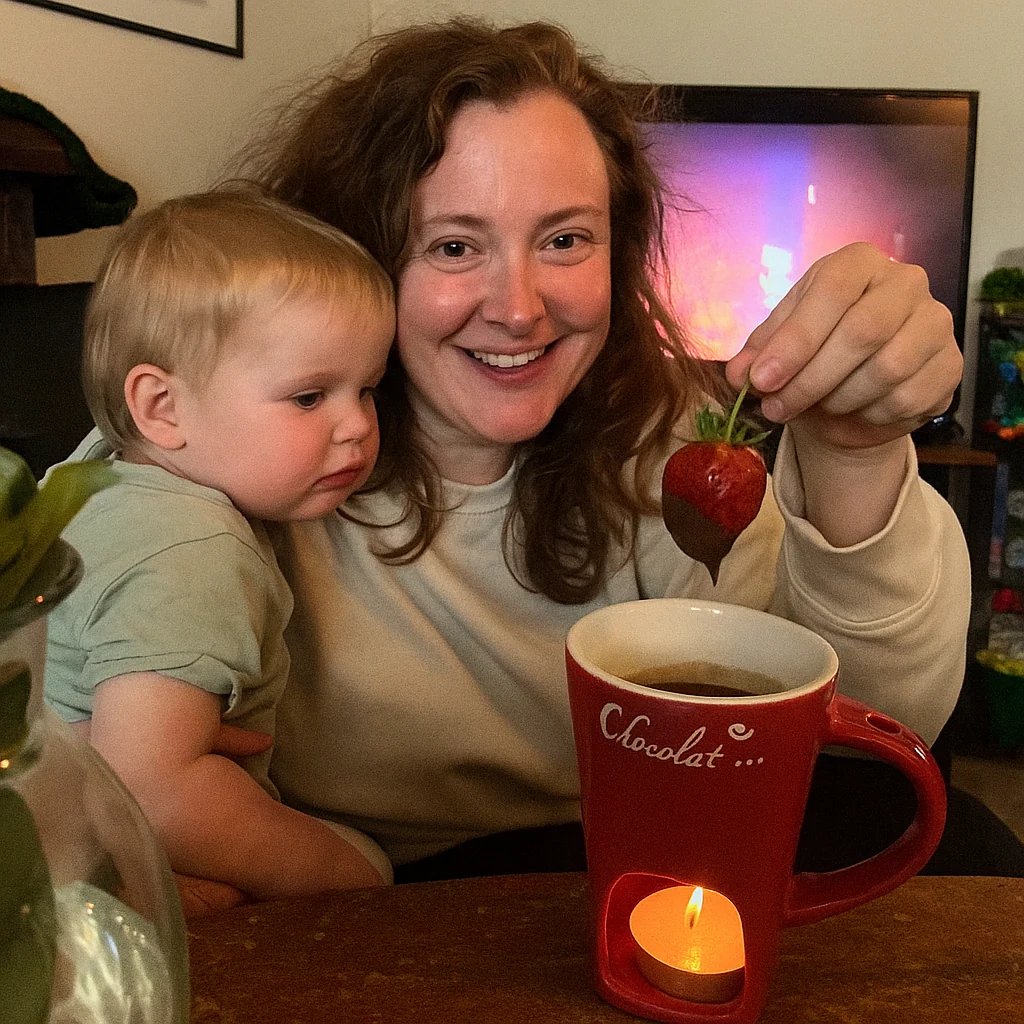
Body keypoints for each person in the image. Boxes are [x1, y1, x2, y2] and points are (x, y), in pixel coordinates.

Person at [67, 18, 980, 896]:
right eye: (454, 245)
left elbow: (866, 738)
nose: (519, 308)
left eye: (565, 240)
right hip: (347, 902)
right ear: (349, 257)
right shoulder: (205, 462)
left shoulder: (671, 452)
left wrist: (857, 450)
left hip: (621, 867)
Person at [45, 188, 396, 907]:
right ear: (161, 408)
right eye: (309, 397)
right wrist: (337, 874)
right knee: (363, 865)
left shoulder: (91, 476)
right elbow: (152, 788)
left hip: (48, 824)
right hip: (77, 865)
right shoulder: (195, 549)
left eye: (367, 390)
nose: (357, 425)